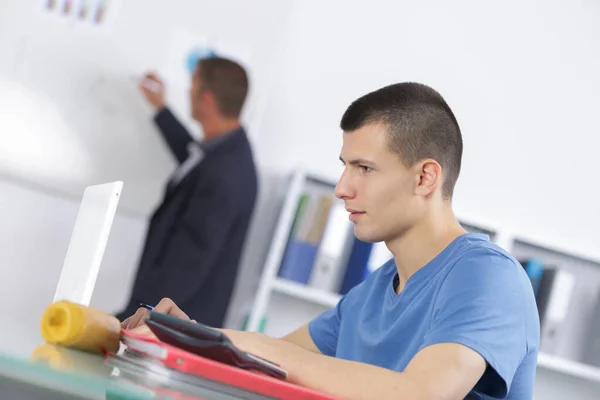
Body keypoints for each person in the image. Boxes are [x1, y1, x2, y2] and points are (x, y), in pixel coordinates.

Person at [121, 82, 539, 399]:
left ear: (425, 177)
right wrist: (190, 334)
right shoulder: (372, 293)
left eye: (364, 169)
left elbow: (418, 394)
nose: (342, 188)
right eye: (345, 167)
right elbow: (261, 363)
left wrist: (236, 345)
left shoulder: (487, 278)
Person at [116, 57, 258, 328]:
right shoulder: (224, 151)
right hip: (167, 318)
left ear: (206, 99)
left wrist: (137, 319)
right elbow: (192, 160)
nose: (188, 94)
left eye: (192, 87)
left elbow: (187, 264)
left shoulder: (226, 173)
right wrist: (160, 108)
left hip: (174, 326)